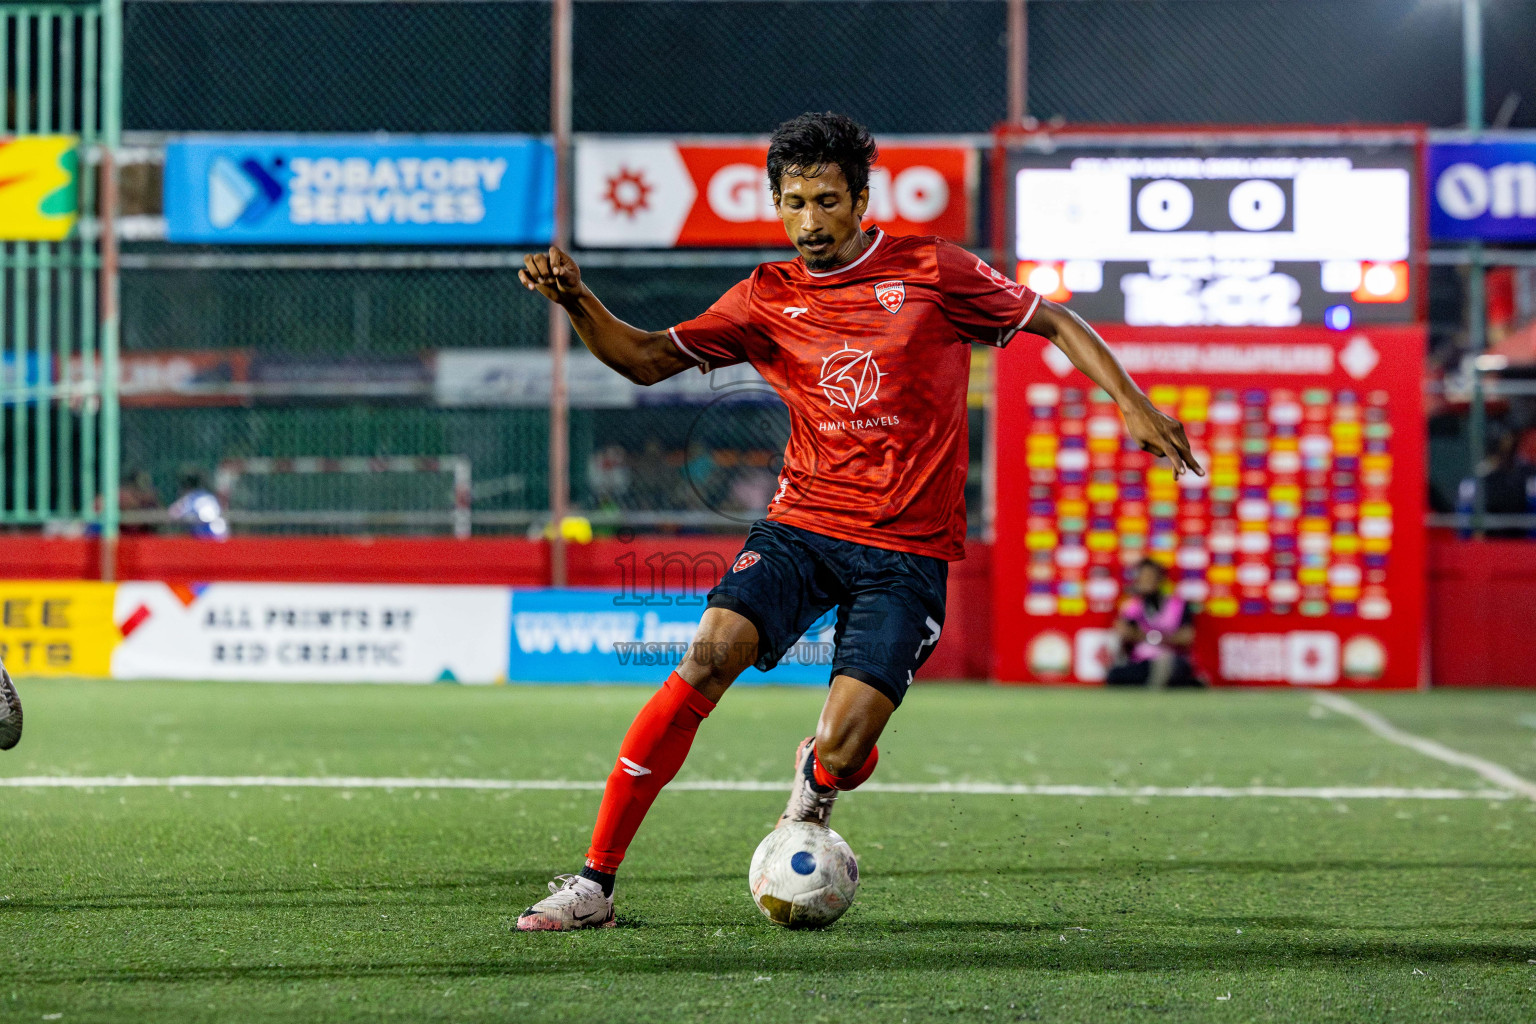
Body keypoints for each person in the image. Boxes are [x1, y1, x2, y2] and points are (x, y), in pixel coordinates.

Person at [514, 112, 1201, 930]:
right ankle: (594, 883)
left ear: (862, 200)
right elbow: (646, 357)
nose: (810, 221)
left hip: (905, 552)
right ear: (776, 203)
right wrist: (578, 299)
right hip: (802, 526)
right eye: (794, 203)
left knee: (844, 748)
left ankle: (818, 777)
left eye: (828, 201)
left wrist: (1130, 400)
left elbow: (1051, 318)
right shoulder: (765, 296)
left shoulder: (933, 270)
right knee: (706, 659)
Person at [1106, 560, 1203, 689]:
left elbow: (1186, 637)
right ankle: (1169, 680)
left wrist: (1145, 636)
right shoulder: (1132, 606)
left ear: (1160, 579)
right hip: (1142, 662)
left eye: (1151, 577)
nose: (1147, 581)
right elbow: (1124, 633)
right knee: (1116, 675)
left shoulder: (1177, 604)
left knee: (1174, 665)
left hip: (1171, 659)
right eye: (1143, 577)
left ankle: (1164, 677)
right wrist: (1165, 637)